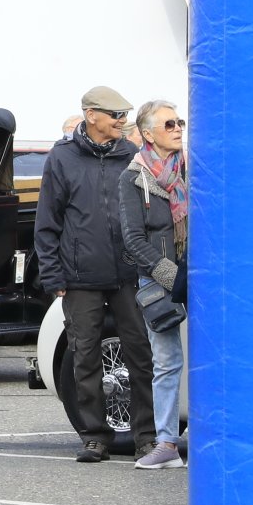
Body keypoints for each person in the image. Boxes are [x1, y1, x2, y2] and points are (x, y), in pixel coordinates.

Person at [34, 85, 155, 463]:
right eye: (116, 115)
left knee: (141, 355)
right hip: (79, 277)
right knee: (84, 356)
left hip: (129, 275)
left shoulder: (132, 154)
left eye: (124, 116)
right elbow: (47, 221)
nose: (122, 121)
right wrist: (53, 276)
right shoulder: (62, 157)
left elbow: (148, 214)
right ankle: (94, 436)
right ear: (91, 115)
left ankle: (146, 437)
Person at [120, 99, 188, 470]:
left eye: (179, 122)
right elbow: (132, 239)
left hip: (201, 275)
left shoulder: (194, 168)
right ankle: (166, 443)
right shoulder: (133, 177)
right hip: (161, 279)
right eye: (169, 124)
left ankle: (210, 434)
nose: (177, 129)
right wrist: (171, 276)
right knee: (166, 362)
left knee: (212, 357)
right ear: (148, 134)